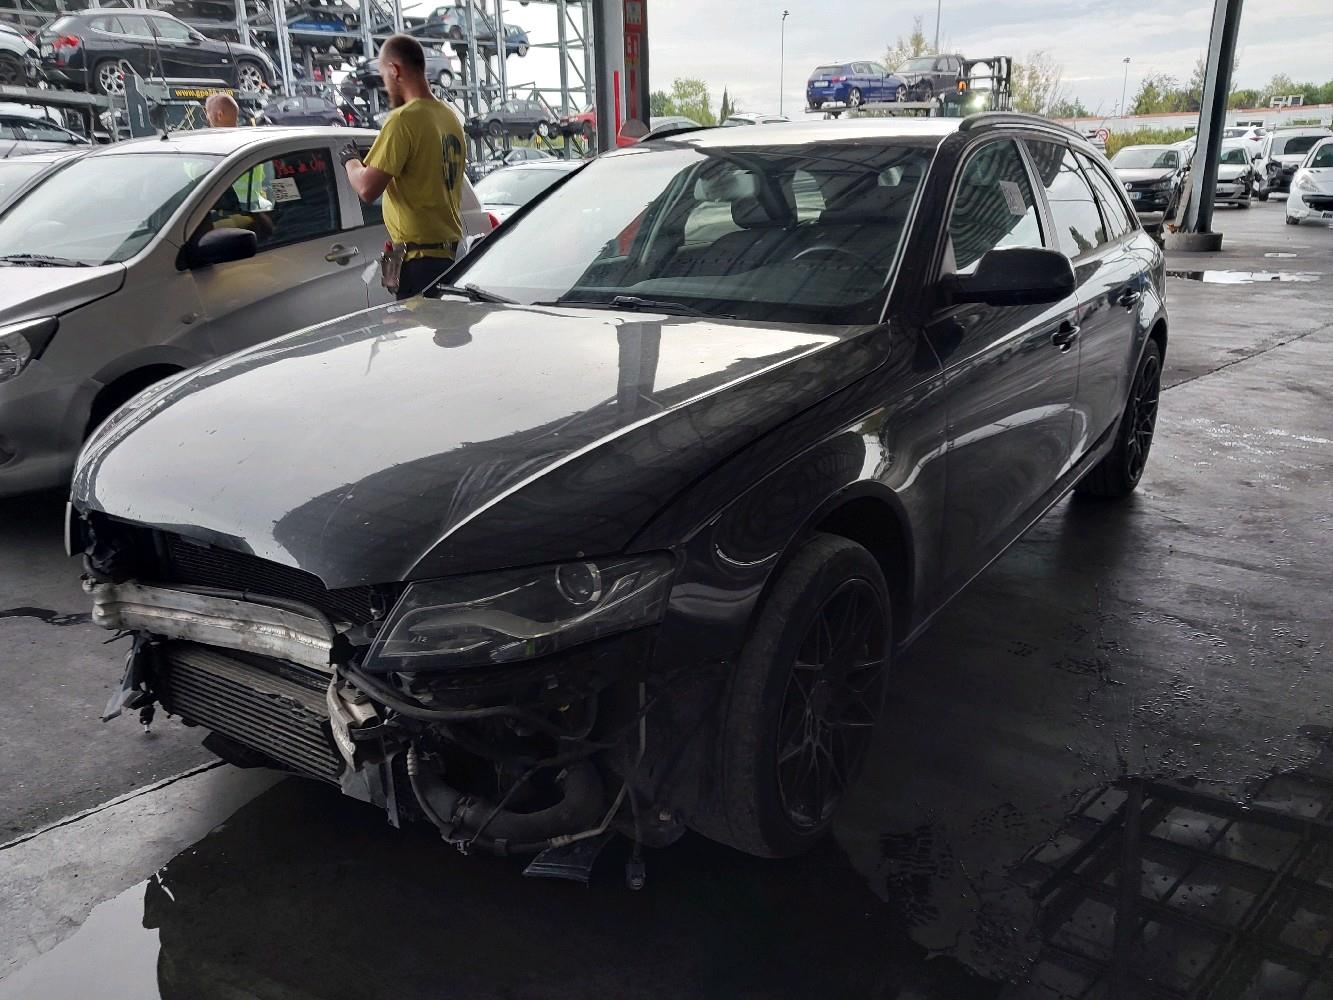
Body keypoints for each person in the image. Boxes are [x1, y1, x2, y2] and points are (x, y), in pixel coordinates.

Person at [341, 34, 466, 300]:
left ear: (395, 70)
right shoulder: (449, 117)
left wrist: (349, 160)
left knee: (417, 327)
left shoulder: (403, 119)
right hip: (449, 257)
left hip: (419, 264)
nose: (386, 86)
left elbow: (367, 188)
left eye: (384, 77)